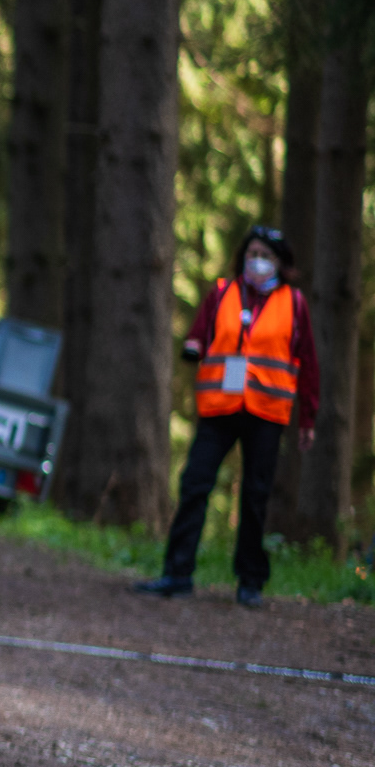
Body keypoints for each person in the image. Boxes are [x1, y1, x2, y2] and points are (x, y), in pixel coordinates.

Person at [136, 226, 316, 608]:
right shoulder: (222, 293)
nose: (257, 261)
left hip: (267, 411)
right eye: (252, 253)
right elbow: (199, 334)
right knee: (194, 484)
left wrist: (308, 419)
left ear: (280, 263)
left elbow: (308, 363)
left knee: (255, 495)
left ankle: (250, 581)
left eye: (265, 255)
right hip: (219, 407)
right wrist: (193, 345)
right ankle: (177, 573)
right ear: (242, 257)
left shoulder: (294, 303)